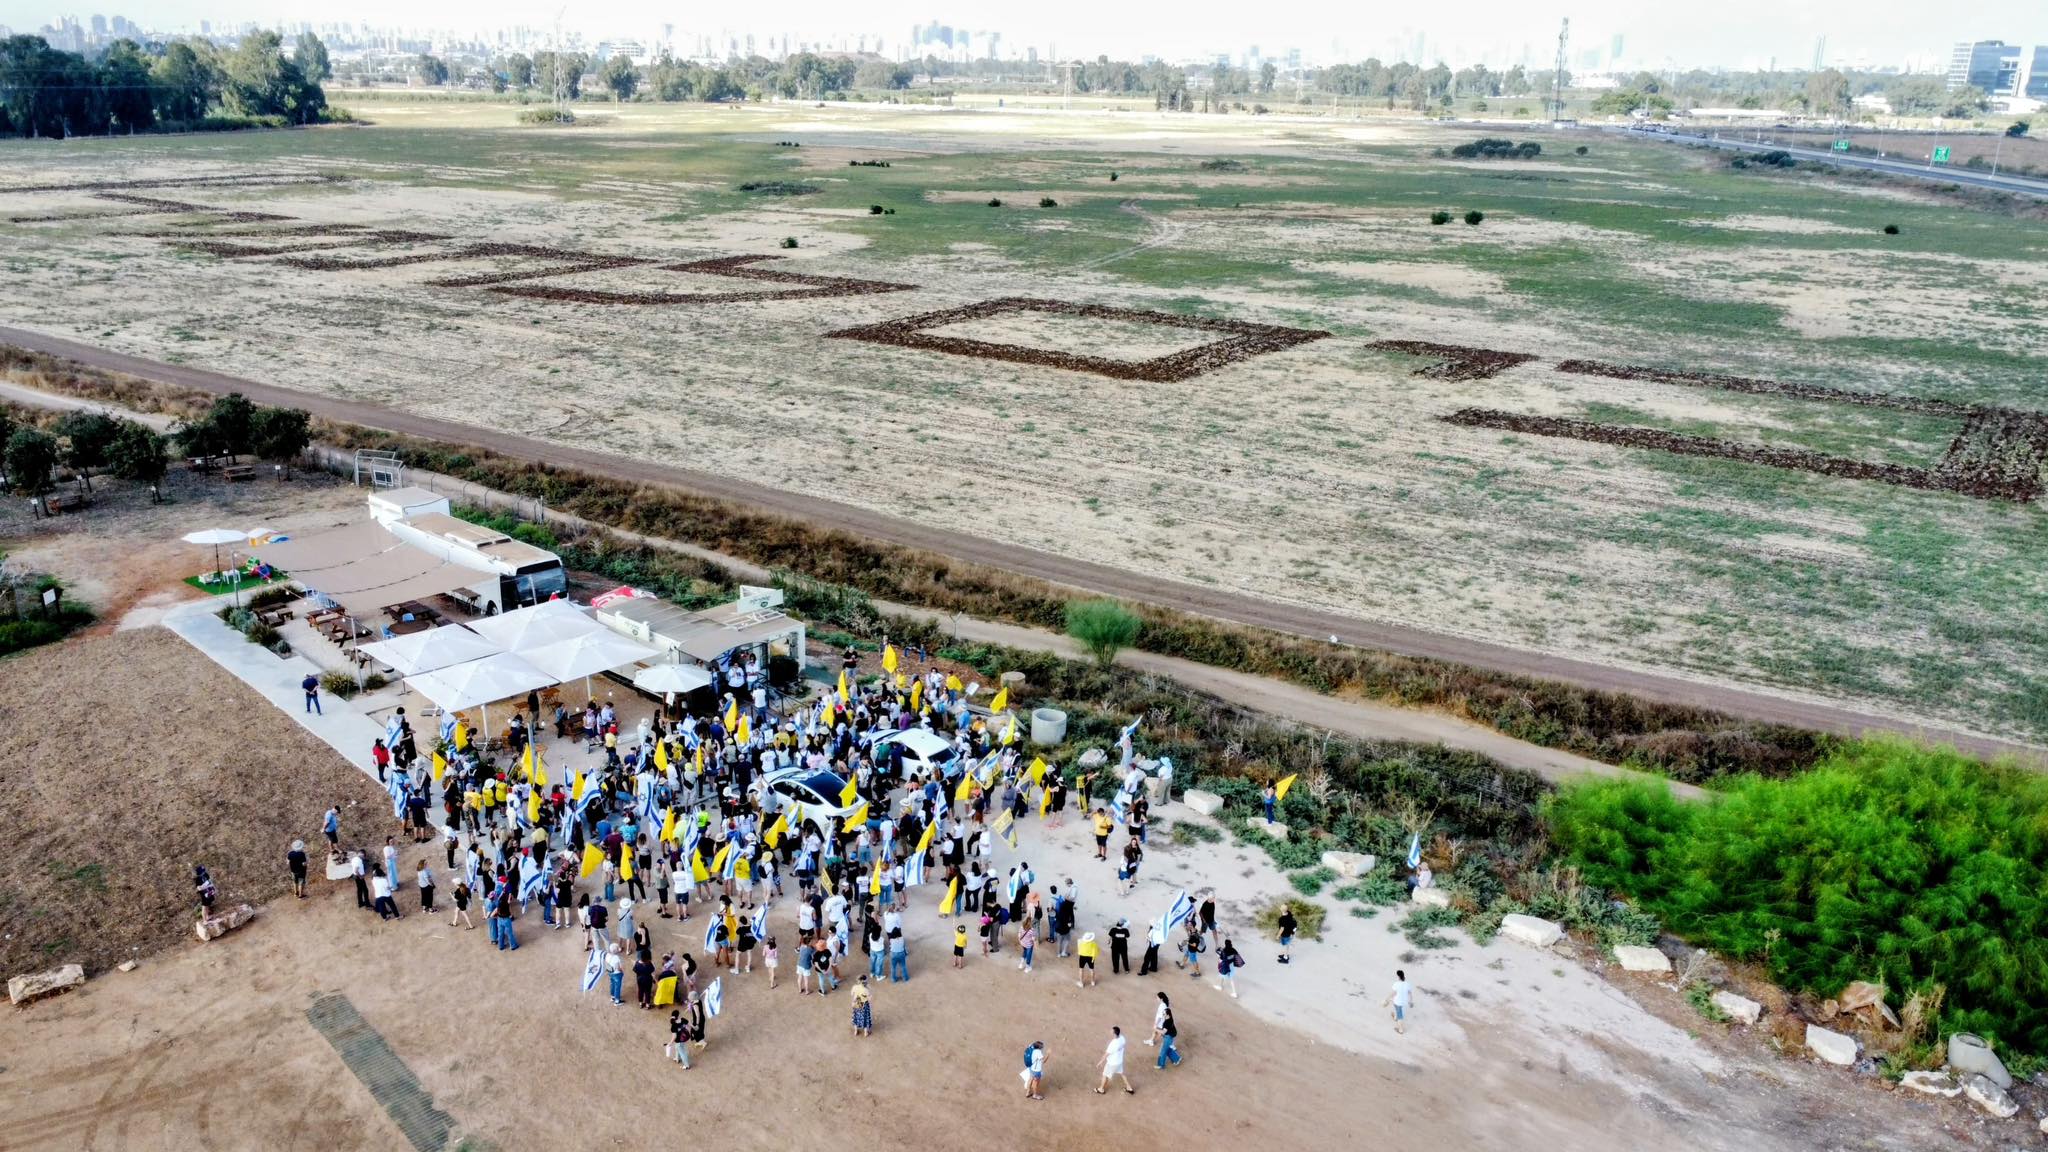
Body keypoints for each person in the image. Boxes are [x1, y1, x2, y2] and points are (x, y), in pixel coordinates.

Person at [1095, 1025, 1135, 1095]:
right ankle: (1129, 1088)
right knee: (1122, 1074)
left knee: (1105, 1075)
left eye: (1111, 1031)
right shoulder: (1122, 1038)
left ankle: (1101, 1089)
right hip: (1119, 1062)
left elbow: (1106, 1054)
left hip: (1112, 1063)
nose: (1110, 1031)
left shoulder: (1113, 1044)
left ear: (1114, 1034)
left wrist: (1100, 1062)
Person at [1155, 995, 1182, 1069]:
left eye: (1164, 1014)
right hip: (1169, 1037)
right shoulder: (1169, 1019)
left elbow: (1163, 1032)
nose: (1163, 1015)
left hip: (1168, 1037)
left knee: (1163, 1051)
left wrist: (1156, 1029)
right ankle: (1177, 1058)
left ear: (1167, 1015)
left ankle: (1161, 1065)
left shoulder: (1167, 1022)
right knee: (1166, 1049)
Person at [1383, 968, 1412, 1035]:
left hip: (1398, 1002)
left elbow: (1393, 993)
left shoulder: (1396, 984)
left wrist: (1387, 999)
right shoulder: (1407, 984)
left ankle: (1400, 1030)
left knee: (1400, 1016)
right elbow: (1410, 993)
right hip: (1404, 1002)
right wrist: (1410, 1001)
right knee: (1396, 1006)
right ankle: (1395, 1017)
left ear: (1398, 976)